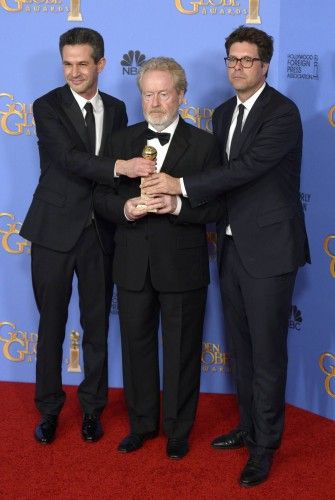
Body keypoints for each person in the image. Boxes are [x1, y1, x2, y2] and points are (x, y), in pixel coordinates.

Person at [141, 27, 310, 485]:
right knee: (241, 348)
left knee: (268, 352)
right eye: (232, 60)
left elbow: (245, 170)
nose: (238, 67)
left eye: (247, 60)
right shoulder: (221, 114)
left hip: (271, 250)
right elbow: (224, 179)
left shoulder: (282, 113)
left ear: (265, 65)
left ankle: (265, 447)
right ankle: (250, 426)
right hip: (231, 246)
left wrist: (178, 185)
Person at [20, 27, 155, 445]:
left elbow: (109, 182)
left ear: (100, 63)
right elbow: (67, 159)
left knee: (96, 326)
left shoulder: (115, 109)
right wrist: (121, 166)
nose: (74, 72)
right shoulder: (46, 106)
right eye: (67, 64)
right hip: (53, 231)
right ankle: (48, 410)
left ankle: (92, 409)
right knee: (52, 327)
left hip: (100, 232)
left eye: (82, 64)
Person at [94, 57, 225, 459]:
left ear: (181, 96)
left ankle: (178, 430)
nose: (154, 102)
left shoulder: (204, 144)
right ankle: (142, 425)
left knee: (183, 351)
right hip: (132, 264)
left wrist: (179, 205)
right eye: (148, 93)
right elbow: (101, 198)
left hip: (182, 267)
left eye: (163, 93)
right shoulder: (121, 140)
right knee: (136, 348)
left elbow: (219, 207)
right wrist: (127, 209)